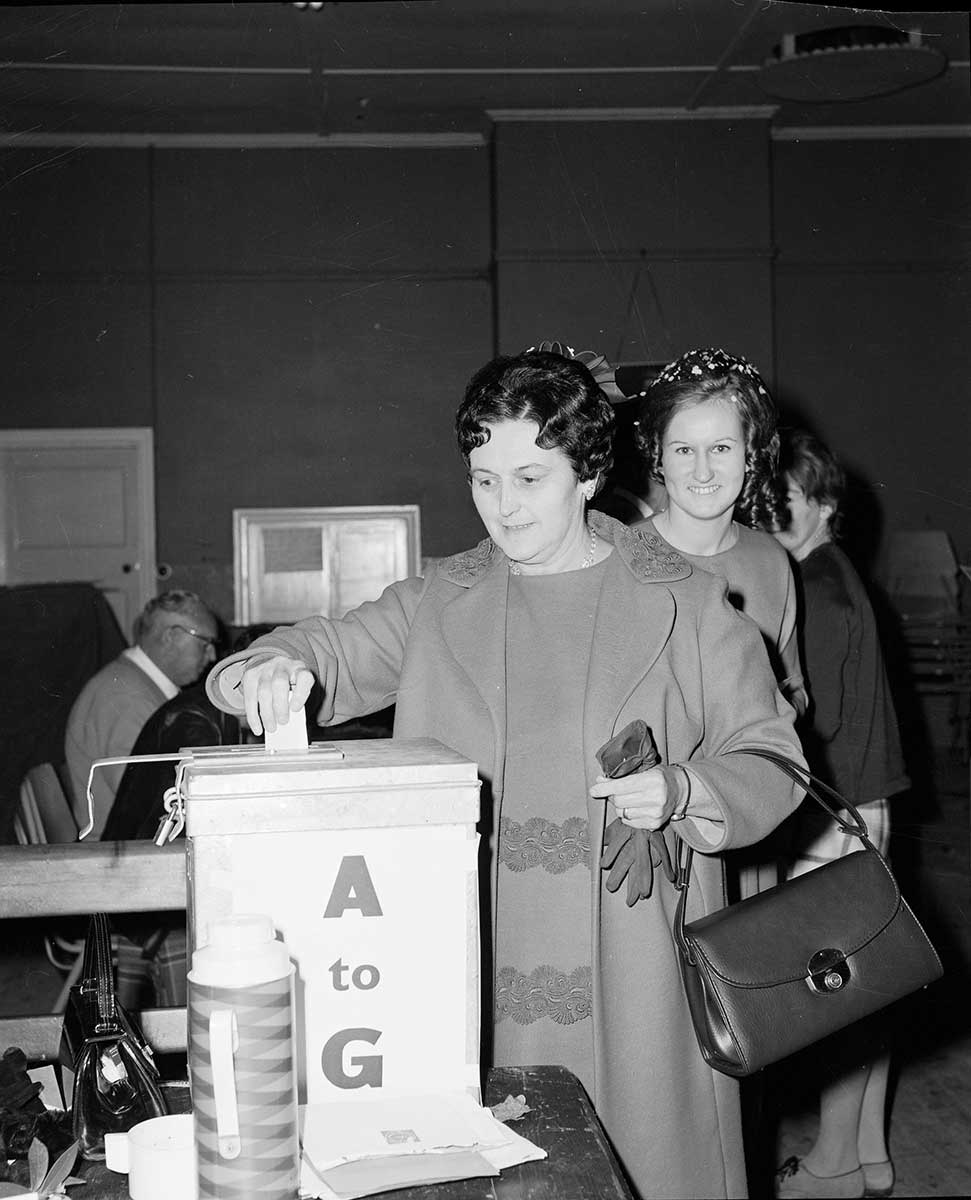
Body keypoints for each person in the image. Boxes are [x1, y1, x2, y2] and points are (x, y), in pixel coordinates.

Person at [206, 349, 806, 1199]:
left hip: (634, 960)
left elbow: (773, 756)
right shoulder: (440, 597)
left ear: (589, 473)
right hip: (473, 960)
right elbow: (324, 648)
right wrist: (265, 667)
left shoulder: (687, 600)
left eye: (528, 477)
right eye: (483, 480)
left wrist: (685, 789)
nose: (502, 506)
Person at [772, 430, 909, 1200]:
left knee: (832, 991)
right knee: (866, 980)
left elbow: (809, 720)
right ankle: (864, 1154)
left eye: (782, 502)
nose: (768, 516)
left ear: (824, 504)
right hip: (865, 799)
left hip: (836, 807)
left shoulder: (815, 588)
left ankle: (829, 1165)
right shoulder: (833, 573)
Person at [65, 589, 219, 838]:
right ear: (171, 636)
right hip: (120, 853)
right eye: (205, 643)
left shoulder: (134, 684)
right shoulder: (126, 699)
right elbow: (147, 802)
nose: (212, 655)